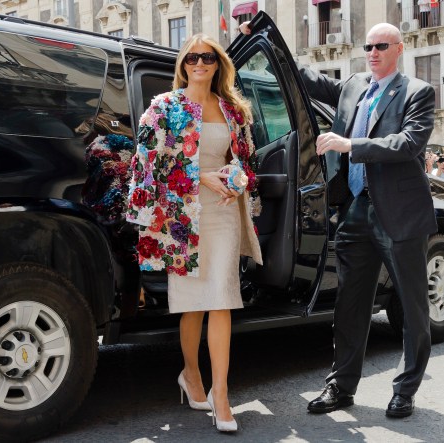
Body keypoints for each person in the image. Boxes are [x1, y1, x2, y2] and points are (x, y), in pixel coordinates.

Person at [241, 20, 436, 418]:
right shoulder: (353, 86)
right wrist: (261, 38)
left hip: (399, 214)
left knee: (413, 307)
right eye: (368, 46)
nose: (373, 52)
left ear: (399, 49)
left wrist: (350, 145)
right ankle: (342, 387)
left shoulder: (417, 92)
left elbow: (408, 143)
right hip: (355, 210)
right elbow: (303, 78)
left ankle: (406, 390)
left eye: (381, 46)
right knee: (350, 304)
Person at [125, 34, 262, 433]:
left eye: (207, 57)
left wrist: (236, 178)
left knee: (222, 299)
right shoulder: (165, 107)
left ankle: (222, 394)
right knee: (193, 305)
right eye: (192, 57)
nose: (199, 63)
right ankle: (191, 374)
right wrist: (200, 175)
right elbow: (146, 163)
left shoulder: (233, 109)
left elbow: (246, 161)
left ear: (218, 64)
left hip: (223, 212)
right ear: (183, 64)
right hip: (181, 219)